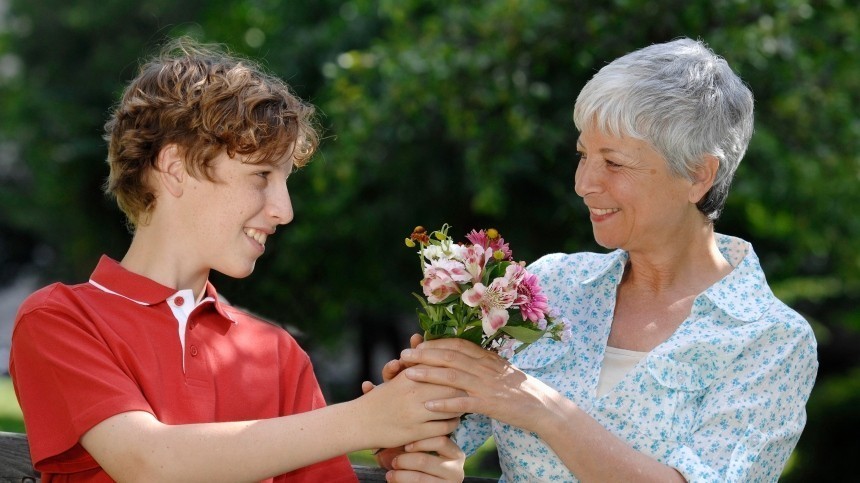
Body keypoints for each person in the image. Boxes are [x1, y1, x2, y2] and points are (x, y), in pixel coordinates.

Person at [9, 38, 465, 482]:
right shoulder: (61, 319)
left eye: (285, 181)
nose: (283, 210)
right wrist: (367, 420)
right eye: (261, 175)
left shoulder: (277, 353)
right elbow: (148, 464)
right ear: (175, 168)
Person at [383, 38, 819, 482]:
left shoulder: (771, 340)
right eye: (583, 155)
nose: (583, 184)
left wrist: (544, 410)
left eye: (613, 162)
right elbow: (437, 441)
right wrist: (408, 416)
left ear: (697, 174)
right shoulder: (548, 286)